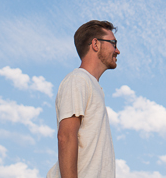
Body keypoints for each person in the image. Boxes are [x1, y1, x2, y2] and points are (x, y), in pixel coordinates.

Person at [47, 20, 120, 178]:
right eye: (114, 43)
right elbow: (65, 136)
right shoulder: (78, 80)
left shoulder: (92, 86)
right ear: (96, 44)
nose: (117, 50)